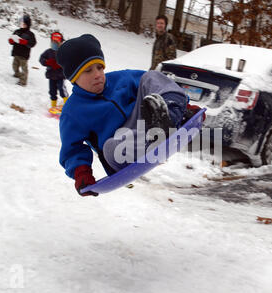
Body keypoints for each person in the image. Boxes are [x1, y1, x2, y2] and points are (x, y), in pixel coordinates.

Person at [56, 34, 188, 196]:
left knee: (149, 77)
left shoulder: (120, 79)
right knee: (110, 146)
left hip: (147, 125)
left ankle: (172, 113)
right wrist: (81, 172)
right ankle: (158, 133)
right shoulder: (73, 111)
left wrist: (178, 102)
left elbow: (157, 84)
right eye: (88, 70)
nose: (97, 74)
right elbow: (72, 148)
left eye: (100, 67)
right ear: (74, 79)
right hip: (122, 150)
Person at [39, 32, 68, 108]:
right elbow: (41, 59)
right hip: (51, 74)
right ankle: (53, 105)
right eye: (53, 42)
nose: (54, 44)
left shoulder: (64, 52)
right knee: (52, 91)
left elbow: (68, 61)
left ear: (61, 43)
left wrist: (59, 64)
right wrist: (47, 62)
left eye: (57, 42)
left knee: (62, 89)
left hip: (61, 75)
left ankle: (67, 104)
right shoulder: (48, 51)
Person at [8, 14, 37, 86]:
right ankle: (17, 74)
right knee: (14, 66)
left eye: (24, 24)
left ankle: (23, 81)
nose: (22, 25)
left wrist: (25, 42)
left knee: (24, 68)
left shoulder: (30, 34)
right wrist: (11, 41)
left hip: (24, 54)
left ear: (28, 25)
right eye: (21, 24)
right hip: (16, 52)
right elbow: (12, 39)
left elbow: (33, 43)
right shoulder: (17, 31)